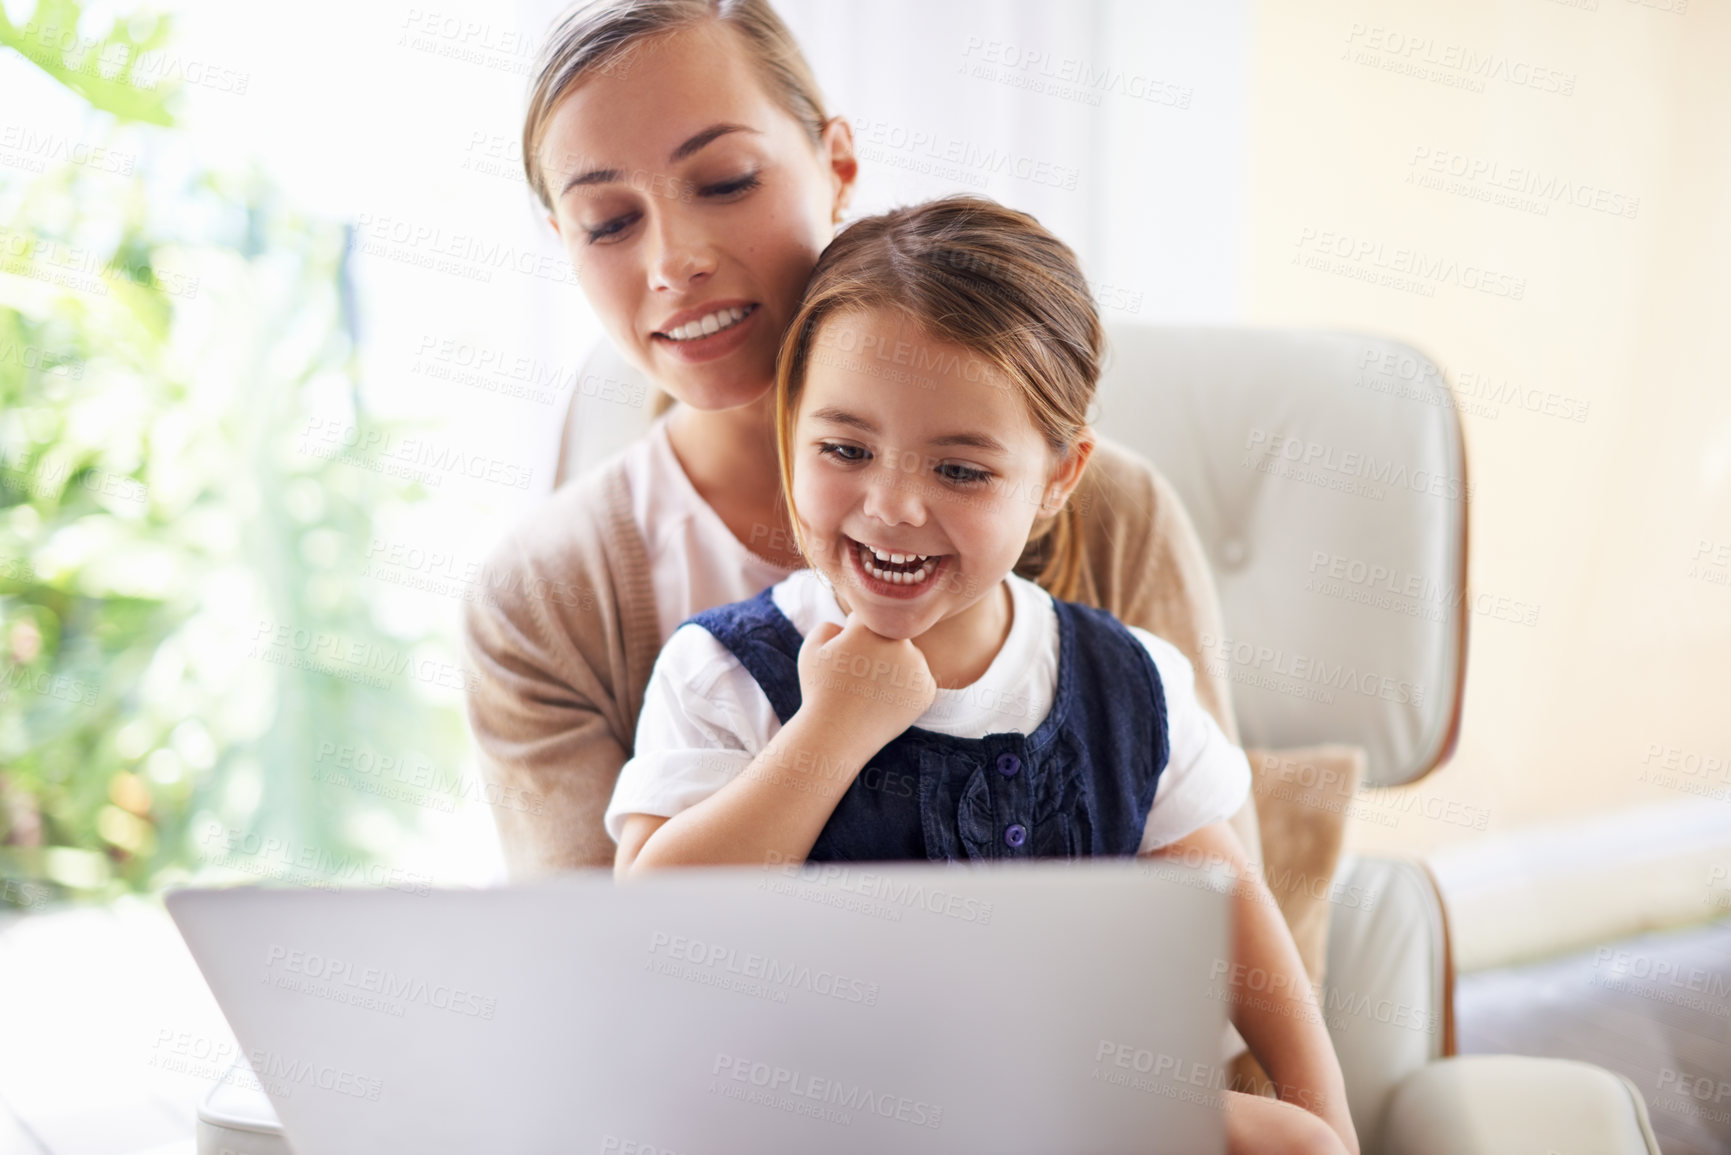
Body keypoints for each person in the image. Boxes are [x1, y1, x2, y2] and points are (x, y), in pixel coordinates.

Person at [604, 196, 1358, 1155]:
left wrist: (1321, 1112)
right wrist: (830, 729)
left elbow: (1233, 929)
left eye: (960, 471)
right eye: (844, 450)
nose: (890, 507)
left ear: (1055, 478)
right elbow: (654, 935)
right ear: (791, 432)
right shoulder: (723, 671)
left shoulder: (1126, 683)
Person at [467, 0, 1257, 886]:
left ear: (835, 163)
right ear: (562, 246)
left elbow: (1223, 918)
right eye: (608, 223)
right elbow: (592, 971)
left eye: (726, 179)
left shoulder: (1116, 514)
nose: (672, 261)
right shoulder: (541, 599)